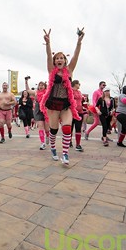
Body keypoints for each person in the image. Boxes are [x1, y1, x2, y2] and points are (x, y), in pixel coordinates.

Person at [40, 28, 84, 165]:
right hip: (52, 104)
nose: (59, 60)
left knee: (66, 127)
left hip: (66, 105)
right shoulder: (51, 70)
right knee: (53, 130)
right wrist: (48, 43)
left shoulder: (70, 71)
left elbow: (76, 56)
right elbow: (48, 56)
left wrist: (79, 42)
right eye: (57, 58)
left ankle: (65, 154)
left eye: (62, 58)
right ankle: (53, 148)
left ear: (65, 61)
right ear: (55, 62)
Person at [25, 77, 49, 150]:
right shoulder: (36, 92)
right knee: (40, 126)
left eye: (42, 85)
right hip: (38, 109)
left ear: (45, 86)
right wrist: (26, 81)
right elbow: (28, 90)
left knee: (47, 128)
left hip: (46, 108)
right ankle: (42, 143)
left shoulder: (48, 92)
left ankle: (47, 135)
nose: (41, 86)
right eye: (39, 85)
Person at [71, 80, 85, 152]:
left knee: (78, 128)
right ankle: (69, 141)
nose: (79, 85)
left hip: (80, 112)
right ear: (75, 84)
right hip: (71, 112)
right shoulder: (70, 91)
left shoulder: (79, 92)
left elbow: (81, 101)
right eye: (78, 84)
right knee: (70, 128)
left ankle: (78, 144)